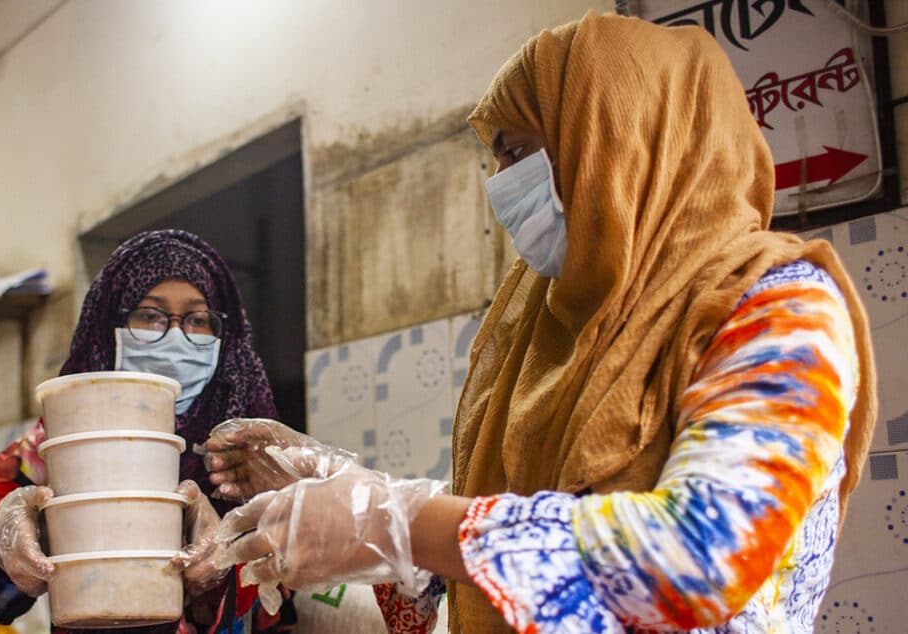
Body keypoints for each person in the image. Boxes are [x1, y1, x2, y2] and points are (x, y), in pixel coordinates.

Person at [197, 12, 877, 634]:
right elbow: (498, 560)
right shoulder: (551, 326)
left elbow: (702, 556)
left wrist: (395, 520)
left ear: (620, 139)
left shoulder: (777, 307)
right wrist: (340, 491)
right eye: (495, 159)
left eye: (519, 153)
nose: (500, 186)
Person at [0, 230, 298, 633]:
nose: (174, 336)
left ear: (225, 337)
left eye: (198, 319)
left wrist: (221, 571)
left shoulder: (248, 455)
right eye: (150, 315)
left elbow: (287, 602)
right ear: (108, 327)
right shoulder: (62, 443)